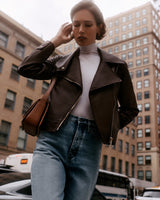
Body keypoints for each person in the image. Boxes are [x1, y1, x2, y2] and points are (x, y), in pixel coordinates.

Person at [18, 1, 139, 200]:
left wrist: (106, 126)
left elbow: (130, 109)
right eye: (76, 24)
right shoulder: (60, 62)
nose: (81, 30)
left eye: (88, 24)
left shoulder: (117, 66)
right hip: (52, 141)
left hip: (90, 146)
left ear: (99, 27)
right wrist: (55, 41)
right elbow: (26, 68)